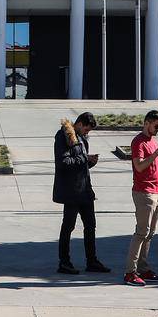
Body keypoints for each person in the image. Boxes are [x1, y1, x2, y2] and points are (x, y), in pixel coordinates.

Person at [54, 112, 107, 275]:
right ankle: (64, 262)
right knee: (68, 226)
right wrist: (85, 159)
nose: (87, 133)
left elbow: (79, 164)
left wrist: (90, 163)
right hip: (71, 191)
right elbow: (63, 162)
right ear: (80, 123)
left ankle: (92, 261)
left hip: (84, 190)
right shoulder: (64, 136)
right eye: (87, 130)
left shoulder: (81, 139)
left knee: (90, 225)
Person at [125, 110, 158, 286]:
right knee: (141, 233)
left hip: (156, 192)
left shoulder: (153, 141)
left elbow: (154, 168)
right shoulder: (138, 142)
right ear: (146, 123)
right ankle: (130, 272)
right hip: (144, 193)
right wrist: (157, 152)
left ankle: (143, 269)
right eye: (156, 126)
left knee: (150, 234)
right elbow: (139, 167)